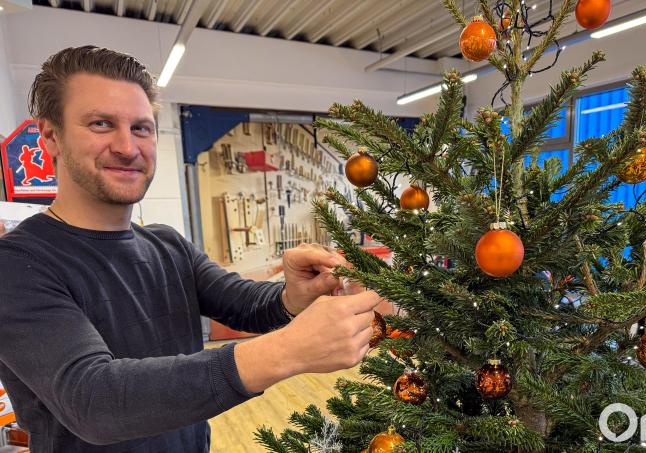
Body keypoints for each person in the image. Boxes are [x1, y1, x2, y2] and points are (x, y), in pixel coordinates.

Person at [0, 46, 381, 452]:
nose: (127, 147)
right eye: (101, 123)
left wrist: (293, 295)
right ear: (51, 136)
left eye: (141, 128)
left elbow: (242, 303)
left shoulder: (166, 245)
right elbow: (94, 400)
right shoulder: (18, 264)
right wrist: (287, 351)